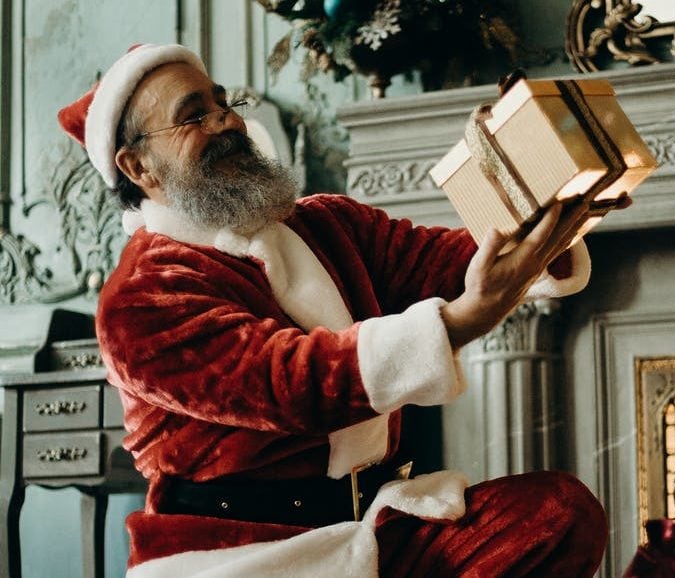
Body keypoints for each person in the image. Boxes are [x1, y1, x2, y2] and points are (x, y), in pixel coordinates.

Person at [58, 43, 608, 577]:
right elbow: (293, 382)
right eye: (193, 116)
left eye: (223, 103)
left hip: (373, 527)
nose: (225, 122)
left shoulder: (327, 224)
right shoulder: (142, 297)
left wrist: (549, 206)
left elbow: (450, 260)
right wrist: (463, 321)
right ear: (137, 166)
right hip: (247, 555)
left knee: (557, 514)